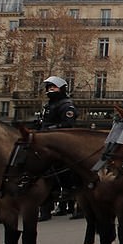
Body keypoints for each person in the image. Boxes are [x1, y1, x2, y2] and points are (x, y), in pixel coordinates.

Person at [38, 76, 78, 220]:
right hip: (47, 143)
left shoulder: (67, 105)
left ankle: (74, 201)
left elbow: (68, 124)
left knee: (66, 172)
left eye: (53, 87)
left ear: (61, 89)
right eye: (49, 88)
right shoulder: (48, 106)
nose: (50, 90)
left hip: (61, 143)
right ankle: (46, 210)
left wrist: (51, 129)